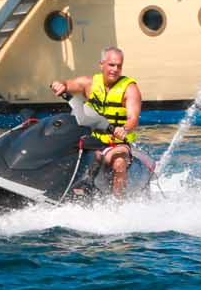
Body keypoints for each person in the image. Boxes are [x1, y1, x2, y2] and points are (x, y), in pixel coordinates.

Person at [49, 46, 142, 198]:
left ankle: (118, 204)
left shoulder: (130, 89)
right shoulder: (89, 83)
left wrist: (124, 128)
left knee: (118, 163)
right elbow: (65, 84)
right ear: (102, 64)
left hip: (115, 143)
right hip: (91, 140)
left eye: (119, 66)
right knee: (80, 154)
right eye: (112, 65)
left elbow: (133, 119)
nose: (115, 69)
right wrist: (58, 84)